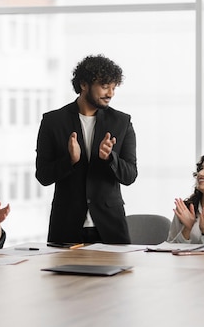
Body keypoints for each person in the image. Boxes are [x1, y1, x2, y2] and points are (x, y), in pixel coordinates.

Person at [35, 54, 137, 244]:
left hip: (110, 227)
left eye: (114, 88)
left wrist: (110, 158)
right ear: (84, 84)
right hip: (66, 225)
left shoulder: (122, 122)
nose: (111, 93)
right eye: (105, 86)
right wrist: (69, 160)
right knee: (66, 275)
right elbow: (43, 176)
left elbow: (130, 176)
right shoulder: (53, 122)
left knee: (117, 274)